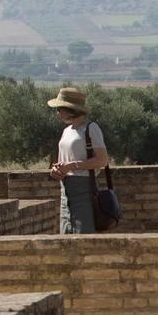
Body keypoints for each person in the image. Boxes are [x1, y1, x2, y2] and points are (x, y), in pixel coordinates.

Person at [46, 87, 110, 235]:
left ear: (70, 109)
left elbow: (102, 160)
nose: (58, 113)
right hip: (65, 189)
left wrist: (73, 166)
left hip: (84, 188)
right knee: (66, 233)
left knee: (83, 234)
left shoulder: (91, 128)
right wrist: (57, 169)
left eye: (60, 108)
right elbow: (64, 160)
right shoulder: (66, 131)